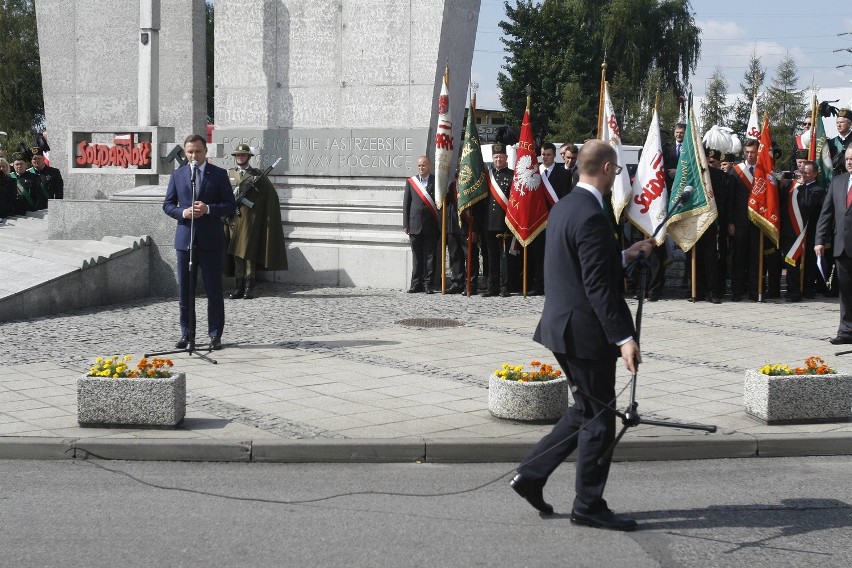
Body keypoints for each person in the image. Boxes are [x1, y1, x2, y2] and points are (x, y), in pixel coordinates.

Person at [509, 139, 653, 532]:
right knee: (601, 421)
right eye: (618, 170)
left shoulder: (568, 206)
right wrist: (624, 337)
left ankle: (530, 475)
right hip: (586, 335)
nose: (618, 177)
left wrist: (626, 255)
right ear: (606, 168)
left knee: (584, 410)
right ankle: (588, 505)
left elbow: (588, 267)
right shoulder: (591, 213)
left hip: (562, 327)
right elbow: (598, 287)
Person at [163, 134, 236, 351]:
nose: (194, 155)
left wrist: (209, 209)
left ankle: (215, 335)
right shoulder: (178, 175)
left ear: (205, 152)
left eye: (198, 151)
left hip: (212, 241)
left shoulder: (219, 175)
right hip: (185, 240)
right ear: (185, 153)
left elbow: (230, 205)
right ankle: (187, 334)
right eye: (190, 151)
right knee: (186, 291)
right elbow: (167, 205)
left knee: (214, 291)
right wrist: (183, 212)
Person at [223, 144, 288, 300]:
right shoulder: (229, 174)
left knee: (248, 253)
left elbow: (270, 196)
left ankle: (248, 287)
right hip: (233, 218)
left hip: (249, 219)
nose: (240, 157)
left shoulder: (257, 175)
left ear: (248, 157)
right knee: (236, 254)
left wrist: (259, 210)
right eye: (238, 155)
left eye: (243, 155)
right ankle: (238, 286)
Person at [815, 146, 852, 344]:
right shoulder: (838, 182)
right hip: (842, 246)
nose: (849, 162)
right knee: (845, 291)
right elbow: (826, 214)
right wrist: (820, 240)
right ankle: (846, 331)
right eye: (847, 159)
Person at [783, 160, 825, 302]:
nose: (804, 175)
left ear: (815, 174)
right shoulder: (794, 186)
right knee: (791, 261)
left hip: (808, 232)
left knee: (806, 263)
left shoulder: (817, 189)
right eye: (802, 172)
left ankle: (804, 289)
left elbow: (807, 204)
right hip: (791, 230)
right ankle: (792, 289)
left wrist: (801, 185)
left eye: (807, 172)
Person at [480, 142, 514, 297]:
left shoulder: (512, 175)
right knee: (490, 256)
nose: (498, 159)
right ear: (492, 159)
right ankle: (492, 286)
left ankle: (505, 286)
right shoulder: (487, 176)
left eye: (501, 156)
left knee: (505, 257)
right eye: (495, 157)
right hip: (488, 222)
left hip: (505, 223)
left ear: (506, 158)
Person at [402, 156, 439, 293]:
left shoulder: (436, 181)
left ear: (429, 166)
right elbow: (406, 204)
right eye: (419, 166)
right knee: (417, 257)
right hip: (414, 224)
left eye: (423, 165)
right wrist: (406, 223)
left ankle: (428, 284)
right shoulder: (411, 182)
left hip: (431, 224)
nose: (421, 168)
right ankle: (416, 284)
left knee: (430, 256)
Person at [830, 108, 851, 176]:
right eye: (837, 123)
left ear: (849, 124)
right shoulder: (831, 142)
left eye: (842, 122)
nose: (838, 125)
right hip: (836, 178)